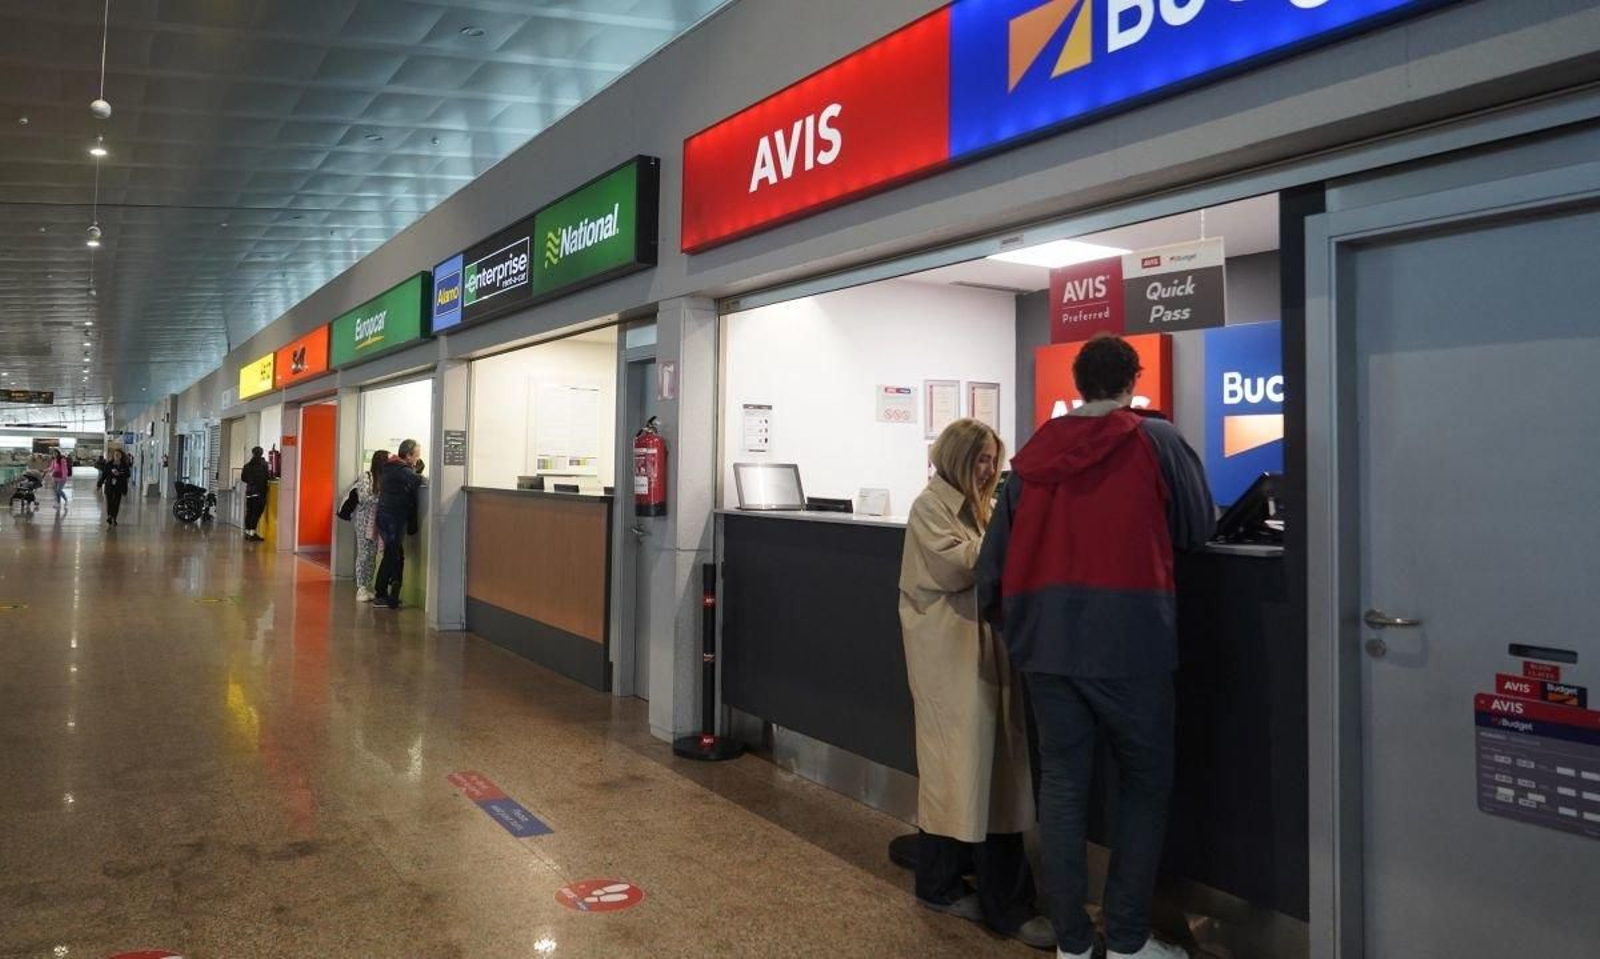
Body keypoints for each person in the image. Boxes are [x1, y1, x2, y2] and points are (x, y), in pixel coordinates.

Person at [976, 335, 1214, 959]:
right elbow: (1198, 525)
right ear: (1133, 380)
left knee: (1062, 784)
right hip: (1130, 639)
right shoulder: (1154, 440)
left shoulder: (1032, 454)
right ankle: (1130, 938)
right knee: (1143, 785)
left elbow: (992, 561)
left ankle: (1073, 944)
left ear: (1077, 383)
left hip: (1046, 643)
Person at [900, 419, 1054, 950]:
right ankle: (990, 897)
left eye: (994, 460)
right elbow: (959, 565)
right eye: (982, 459)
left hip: (977, 655)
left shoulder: (975, 506)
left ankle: (943, 883)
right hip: (953, 661)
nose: (989, 470)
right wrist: (1017, 527)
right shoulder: (931, 507)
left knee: (972, 775)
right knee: (967, 773)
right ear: (958, 458)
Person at [372, 439, 422, 610]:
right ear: (408, 455)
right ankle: (381, 594)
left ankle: (388, 592)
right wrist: (418, 471)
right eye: (416, 456)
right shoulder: (400, 468)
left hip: (386, 517)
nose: (417, 460)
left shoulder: (390, 466)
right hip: (393, 518)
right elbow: (416, 481)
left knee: (393, 554)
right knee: (392, 555)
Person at [350, 450, 389, 604]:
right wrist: (381, 498)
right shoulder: (366, 477)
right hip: (364, 521)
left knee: (372, 554)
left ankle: (367, 585)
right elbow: (364, 497)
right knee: (364, 553)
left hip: (377, 522)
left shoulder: (384, 479)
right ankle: (361, 587)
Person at [240, 446, 271, 542]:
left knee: (249, 512)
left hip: (249, 492)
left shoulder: (247, 465)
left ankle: (247, 533)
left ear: (252, 453)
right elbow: (268, 476)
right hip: (259, 492)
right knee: (256, 514)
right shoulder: (264, 465)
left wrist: (251, 482)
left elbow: (243, 478)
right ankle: (252, 534)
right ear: (262, 453)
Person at [103, 449, 131, 526]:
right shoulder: (109, 464)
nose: (117, 456)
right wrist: (99, 484)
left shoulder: (124, 465)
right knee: (109, 502)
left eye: (118, 455)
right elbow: (104, 475)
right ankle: (109, 516)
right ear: (113, 456)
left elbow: (128, 475)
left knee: (116, 503)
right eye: (115, 455)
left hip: (119, 486)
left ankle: (114, 517)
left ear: (121, 456)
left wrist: (120, 474)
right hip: (109, 486)